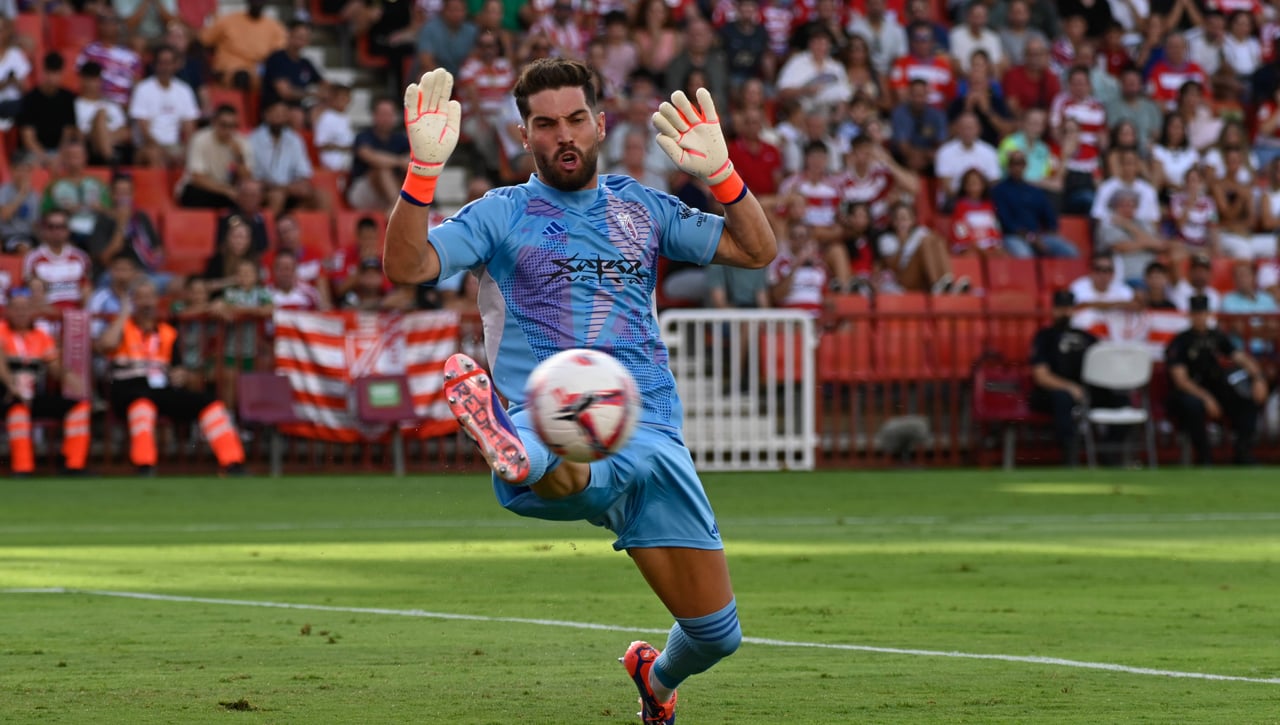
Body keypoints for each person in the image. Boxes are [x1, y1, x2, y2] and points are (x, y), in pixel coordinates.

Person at [382, 61, 776, 725]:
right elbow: (407, 265)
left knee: (717, 633)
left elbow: (756, 251)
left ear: (599, 123)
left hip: (650, 430)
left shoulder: (642, 207)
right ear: (524, 134)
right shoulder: (500, 213)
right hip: (545, 418)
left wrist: (722, 176)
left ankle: (655, 676)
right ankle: (510, 446)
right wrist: (422, 173)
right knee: (570, 454)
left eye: (573, 120)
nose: (561, 135)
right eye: (544, 123)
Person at [94, 279, 247, 475]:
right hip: (127, 388)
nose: (147, 302)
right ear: (134, 301)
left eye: (150, 297)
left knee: (211, 404)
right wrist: (124, 313)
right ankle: (145, 465)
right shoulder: (123, 327)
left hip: (161, 389)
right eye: (141, 298)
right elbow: (106, 344)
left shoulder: (167, 332)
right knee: (142, 406)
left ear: (157, 301)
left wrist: (181, 375)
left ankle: (233, 462)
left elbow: (177, 368)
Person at [1165, 294, 1268, 464]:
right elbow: (1180, 380)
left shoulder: (1217, 337)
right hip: (1190, 391)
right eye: (1196, 313)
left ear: (1209, 315)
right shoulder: (1180, 342)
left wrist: (1258, 378)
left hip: (1215, 386)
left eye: (1203, 313)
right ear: (1190, 315)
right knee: (1193, 406)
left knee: (1248, 399)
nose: (1200, 317)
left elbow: (1241, 357)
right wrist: (1206, 398)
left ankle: (1243, 452)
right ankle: (1204, 456)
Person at [0, 291, 92, 477]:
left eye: (25, 308)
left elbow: (55, 367)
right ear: (8, 311)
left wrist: (70, 377)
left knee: (79, 407)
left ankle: (74, 465)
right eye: (16, 308)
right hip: (6, 394)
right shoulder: (2, 331)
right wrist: (12, 387)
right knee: (18, 410)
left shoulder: (41, 336)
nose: (21, 313)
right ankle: (22, 468)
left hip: (33, 394)